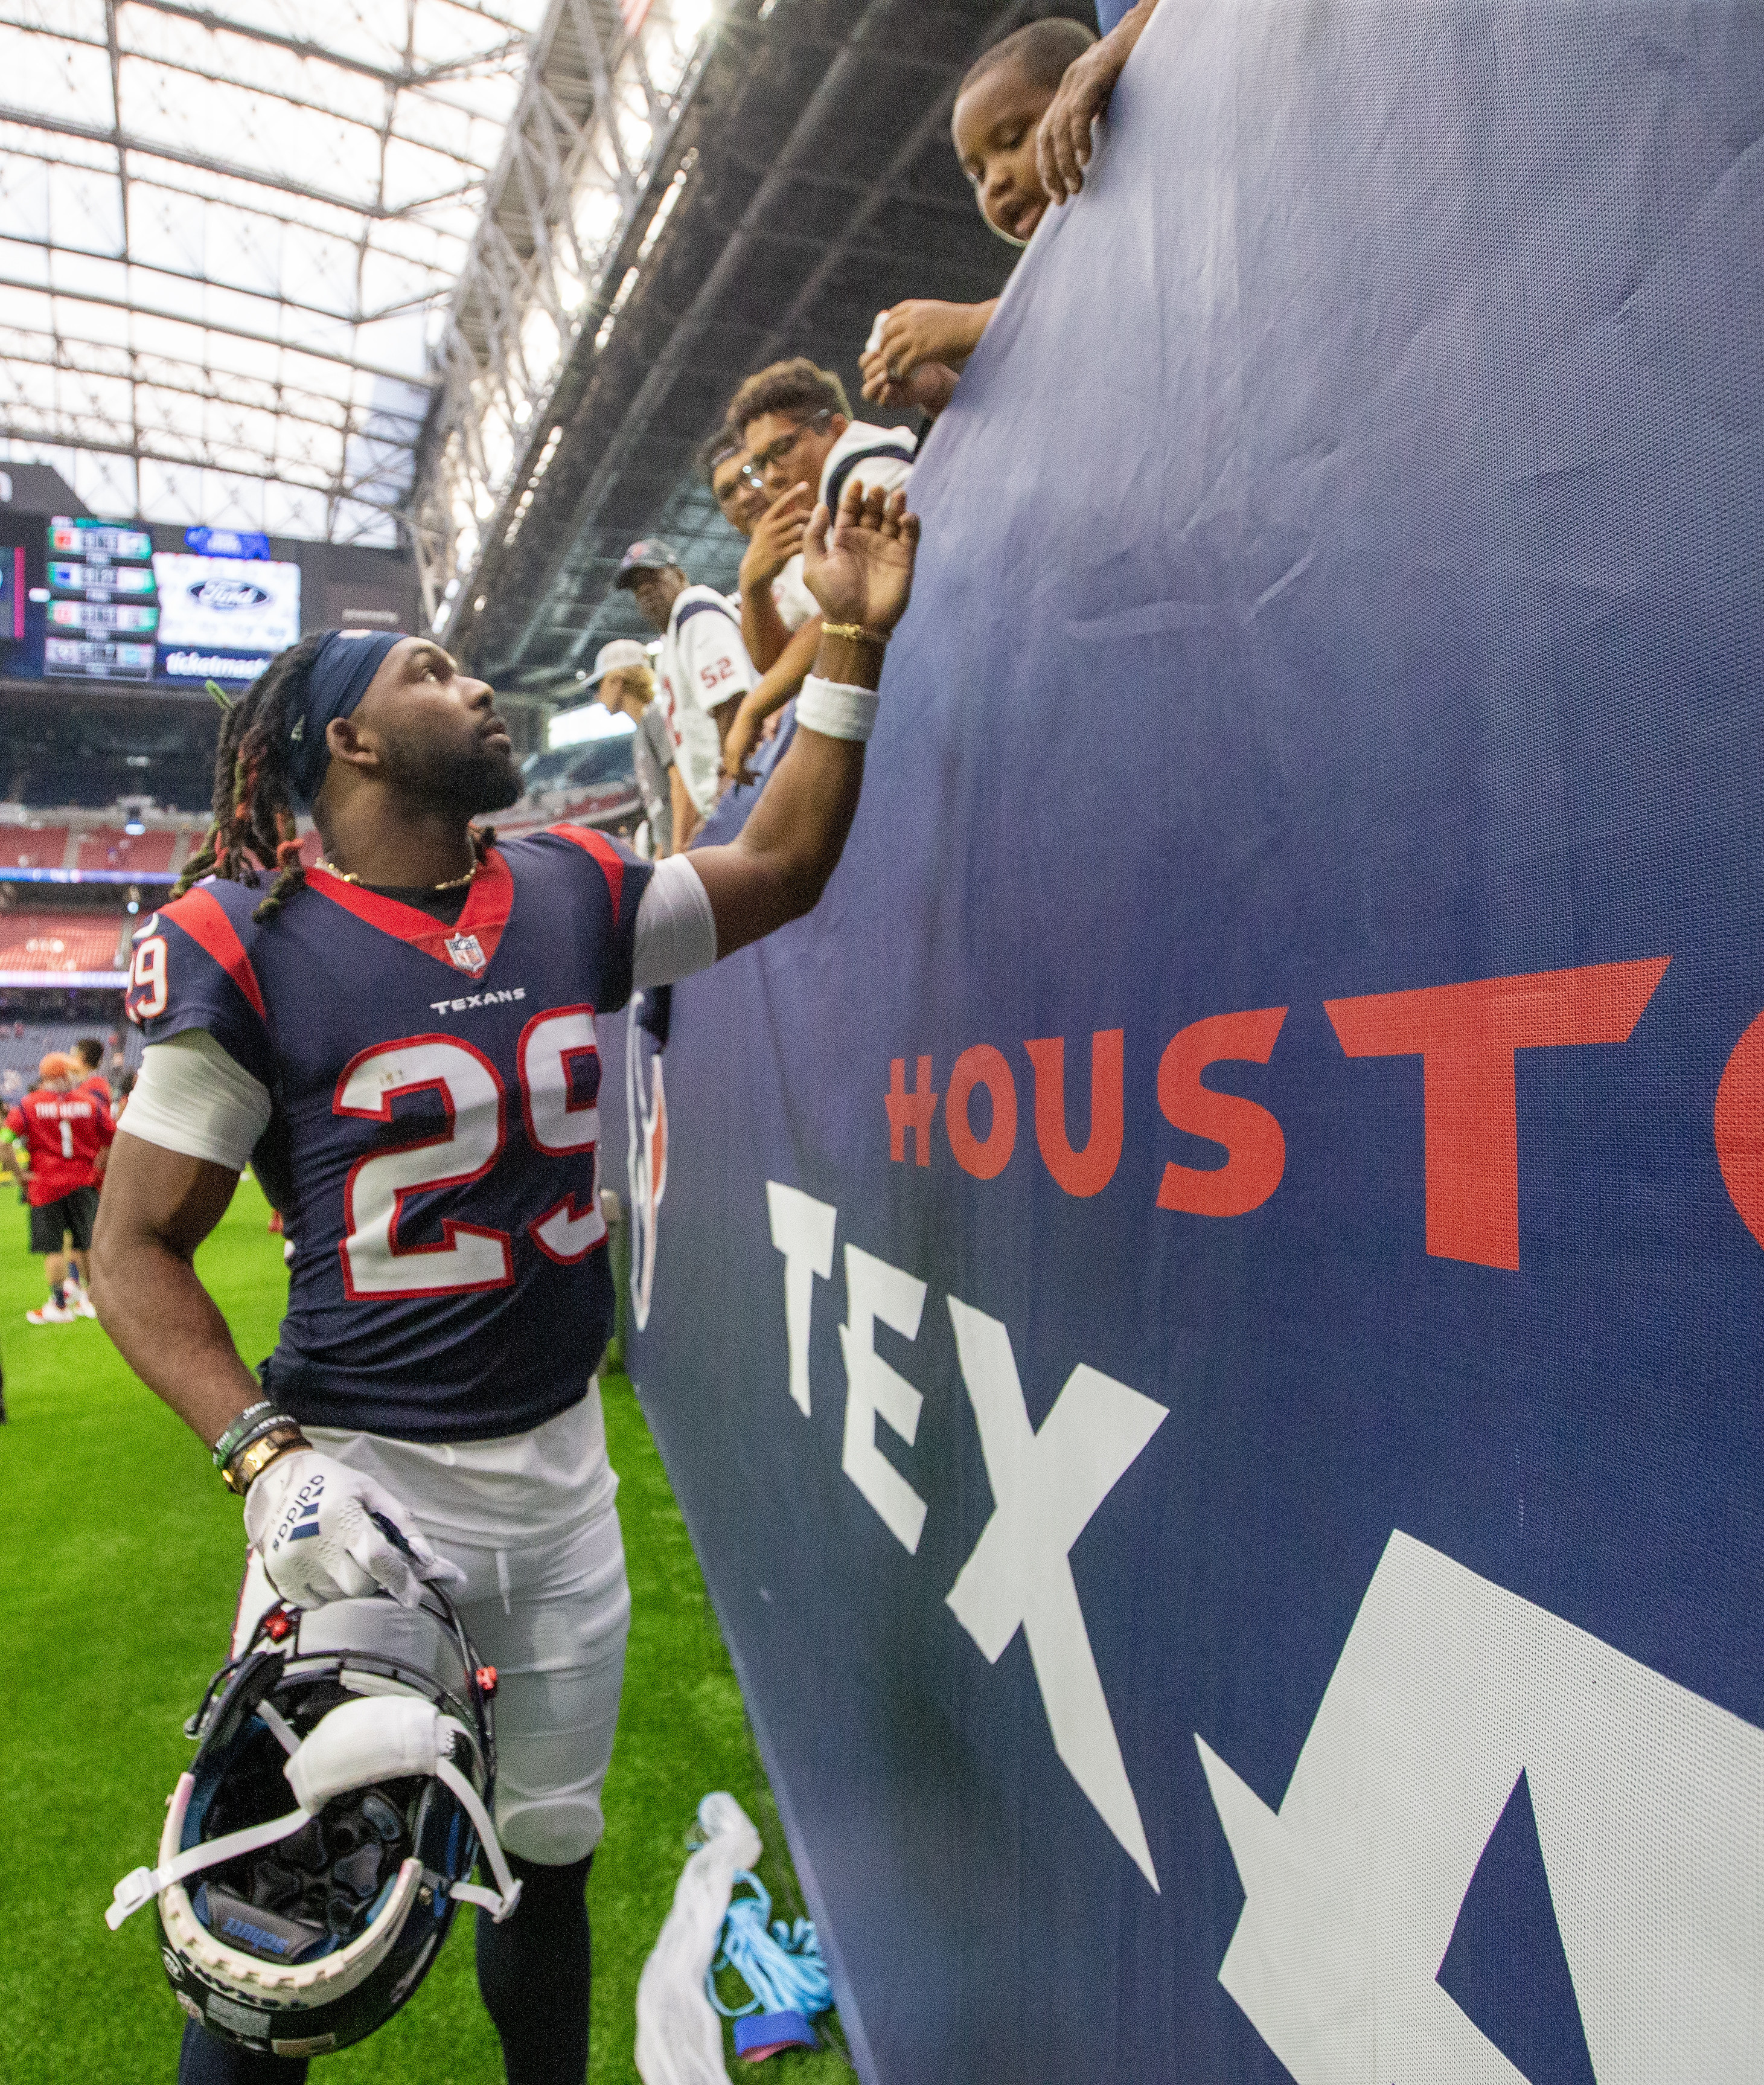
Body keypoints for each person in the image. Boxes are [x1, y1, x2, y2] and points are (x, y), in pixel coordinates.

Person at [91, 476, 919, 2085]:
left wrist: (844, 636)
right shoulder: (251, 940)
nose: (474, 683)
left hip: (561, 1480)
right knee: (280, 1919)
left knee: (550, 1857)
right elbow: (131, 1246)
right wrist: (269, 1462)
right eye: (428, 669)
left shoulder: (568, 888)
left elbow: (789, 866)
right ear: (350, 741)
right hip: (366, 1487)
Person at [860, 17, 1098, 417]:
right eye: (978, 175)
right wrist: (945, 393)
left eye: (1012, 140)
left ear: (1087, 92)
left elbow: (1121, 306)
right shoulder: (1050, 276)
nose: (995, 184)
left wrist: (975, 325)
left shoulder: (1149, 203)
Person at [724, 361, 916, 760]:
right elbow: (777, 662)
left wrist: (754, 706)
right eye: (761, 463)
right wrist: (753, 584)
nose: (771, 477)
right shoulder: (812, 521)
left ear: (836, 428)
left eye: (782, 448)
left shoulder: (864, 466)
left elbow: (851, 599)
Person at [612, 539, 758, 849]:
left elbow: (730, 700)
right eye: (637, 588)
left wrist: (726, 787)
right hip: (734, 796)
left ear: (678, 575)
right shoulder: (671, 638)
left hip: (745, 786)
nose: (645, 592)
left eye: (653, 578)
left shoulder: (693, 610)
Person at [2, 1050, 113, 1324]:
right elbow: (113, 1137)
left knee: (53, 1250)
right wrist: (97, 1165)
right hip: (83, 1183)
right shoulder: (90, 1103)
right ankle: (90, 1301)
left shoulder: (28, 1105)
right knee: (85, 1245)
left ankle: (60, 1306)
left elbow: (5, 1143)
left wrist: (20, 1176)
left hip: (45, 1186)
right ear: (65, 1075)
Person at [583, 638, 676, 858]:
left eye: (599, 685)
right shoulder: (644, 727)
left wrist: (679, 848)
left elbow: (679, 781)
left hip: (686, 847)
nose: (597, 696)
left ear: (618, 680)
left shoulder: (655, 717)